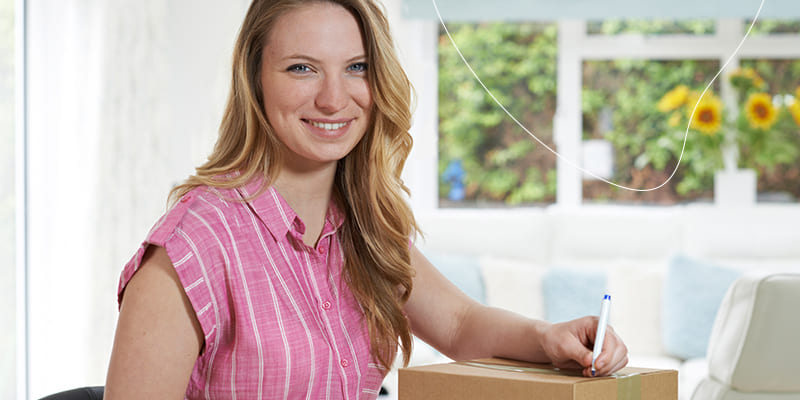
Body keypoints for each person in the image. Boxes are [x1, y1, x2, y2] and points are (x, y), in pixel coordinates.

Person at [104, 0, 629, 398]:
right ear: (254, 79)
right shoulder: (193, 245)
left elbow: (460, 325)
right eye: (301, 68)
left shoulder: (362, 225)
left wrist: (550, 337)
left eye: (356, 68)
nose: (335, 98)